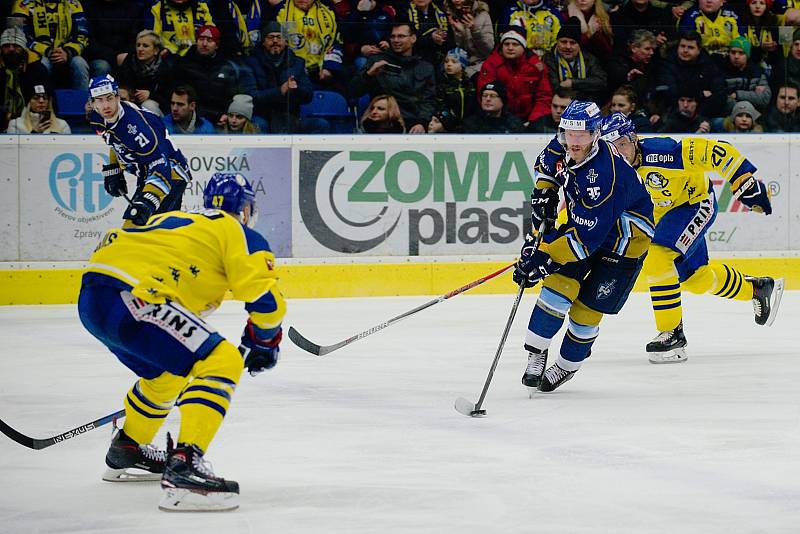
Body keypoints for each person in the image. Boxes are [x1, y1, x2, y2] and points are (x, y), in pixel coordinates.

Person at [78, 172, 285, 511]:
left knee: (167, 375)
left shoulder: (178, 221)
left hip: (93, 299)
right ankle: (185, 469)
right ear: (245, 210)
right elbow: (266, 301)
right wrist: (264, 342)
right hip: (135, 297)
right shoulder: (238, 232)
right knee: (222, 360)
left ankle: (128, 448)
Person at [599, 112, 782, 364]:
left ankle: (672, 333)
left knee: (657, 256)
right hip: (662, 216)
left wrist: (743, 181)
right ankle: (757, 288)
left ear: (633, 138)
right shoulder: (608, 171)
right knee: (696, 279)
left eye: (621, 144)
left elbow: (716, 150)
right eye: (611, 148)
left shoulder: (662, 153)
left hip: (695, 204)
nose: (618, 153)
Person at [513, 101, 654, 392]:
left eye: (581, 136)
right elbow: (547, 165)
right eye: (568, 134)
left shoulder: (605, 175)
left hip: (624, 243)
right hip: (586, 226)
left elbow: (586, 240)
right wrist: (544, 193)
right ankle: (537, 352)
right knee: (557, 287)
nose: (573, 142)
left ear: (596, 134)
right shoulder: (565, 141)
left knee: (585, 313)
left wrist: (545, 257)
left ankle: (565, 366)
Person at [87, 75, 192, 226]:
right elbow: (114, 140)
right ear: (92, 103)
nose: (105, 105)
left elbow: (161, 167)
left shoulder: (137, 129)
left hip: (171, 174)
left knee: (137, 228)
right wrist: (114, 168)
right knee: (146, 232)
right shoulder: (97, 117)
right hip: (147, 172)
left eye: (109, 98)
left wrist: (148, 201)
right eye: (100, 100)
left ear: (118, 97)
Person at [349, 22, 437, 133]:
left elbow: (429, 100)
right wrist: (368, 74)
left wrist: (422, 123)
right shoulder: (376, 61)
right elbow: (353, 92)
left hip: (414, 124)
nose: (396, 40)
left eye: (401, 36)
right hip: (384, 124)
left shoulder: (426, 67)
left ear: (413, 38)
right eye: (393, 36)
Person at [477, 26, 552, 126]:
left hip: (530, 120)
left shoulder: (536, 66)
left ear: (523, 47)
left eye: (515, 44)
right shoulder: (491, 65)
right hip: (499, 119)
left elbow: (544, 96)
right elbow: (485, 95)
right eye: (506, 44)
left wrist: (533, 121)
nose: (510, 48)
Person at [542, 17, 606, 104]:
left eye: (573, 43)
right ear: (557, 42)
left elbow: (601, 82)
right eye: (564, 42)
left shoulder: (589, 58)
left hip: (586, 104)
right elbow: (555, 87)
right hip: (559, 104)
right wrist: (584, 86)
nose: (568, 47)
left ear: (579, 45)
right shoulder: (548, 59)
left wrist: (573, 83)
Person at [115, 30, 175, 116]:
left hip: (157, 108)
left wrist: (150, 95)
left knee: (148, 105)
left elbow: (169, 99)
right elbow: (120, 82)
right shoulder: (129, 61)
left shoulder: (166, 67)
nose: (140, 49)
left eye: (145, 46)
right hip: (131, 103)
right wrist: (125, 92)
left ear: (156, 50)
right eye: (138, 45)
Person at [5, 81, 71, 133]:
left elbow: (68, 149)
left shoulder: (62, 125)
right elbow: (12, 149)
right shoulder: (15, 125)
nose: (41, 101)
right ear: (29, 102)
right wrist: (35, 133)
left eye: (45, 98)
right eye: (36, 98)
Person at [460, 80, 525, 133]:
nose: (487, 99)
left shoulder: (514, 124)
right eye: (485, 95)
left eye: (493, 96)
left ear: (503, 101)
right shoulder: (470, 124)